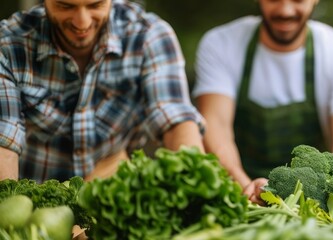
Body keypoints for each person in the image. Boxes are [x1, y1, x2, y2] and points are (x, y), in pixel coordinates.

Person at [0, 0, 205, 182]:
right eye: (66, 6)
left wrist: (194, 182)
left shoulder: (148, 35)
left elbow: (175, 118)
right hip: (36, 210)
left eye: (95, 5)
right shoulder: (9, 44)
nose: (82, 23)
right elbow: (4, 142)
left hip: (111, 197)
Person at [193, 0, 333, 208]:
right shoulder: (220, 44)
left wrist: (332, 218)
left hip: (313, 203)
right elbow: (215, 125)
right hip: (237, 195)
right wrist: (247, 190)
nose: (285, 10)